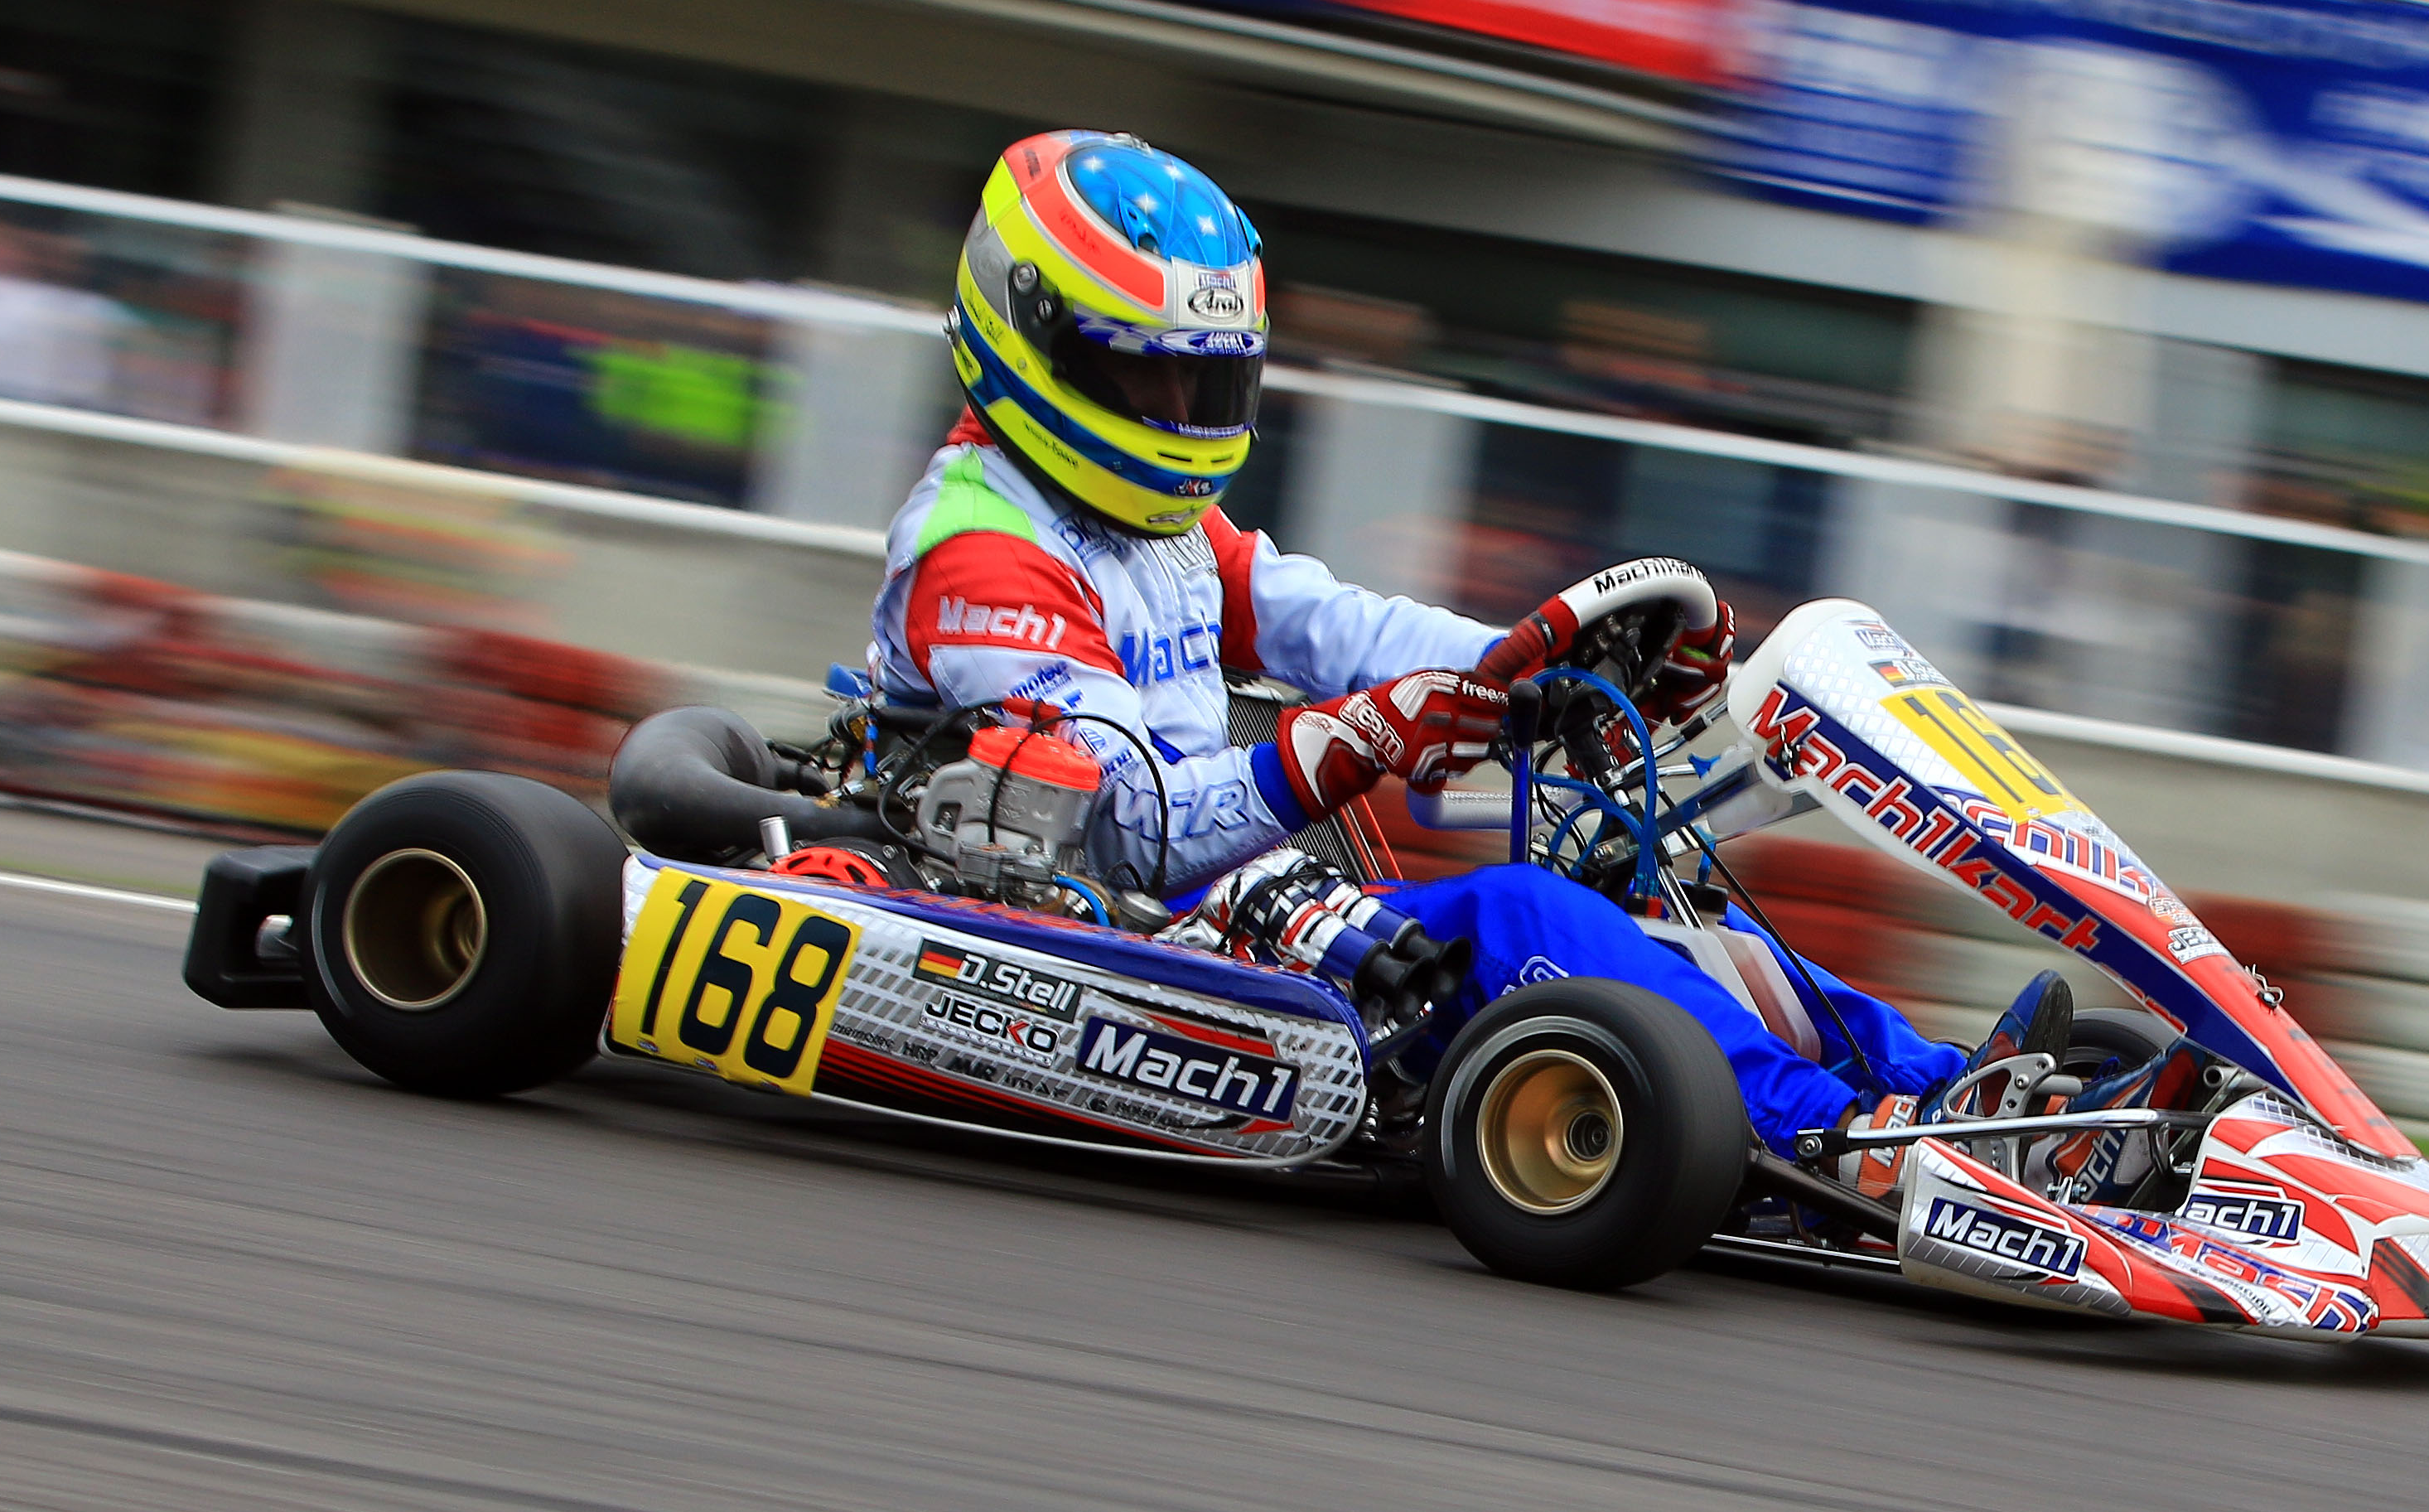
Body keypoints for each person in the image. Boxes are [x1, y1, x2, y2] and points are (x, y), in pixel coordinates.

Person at [862, 129, 2053, 1160]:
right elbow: (1131, 828)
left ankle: (1950, 1095)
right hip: (1115, 925)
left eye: (1204, 388)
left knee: (1675, 919)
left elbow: (1329, 623)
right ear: (1033, 337)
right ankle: (1832, 1139)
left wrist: (1533, 662)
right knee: (1528, 922)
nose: (1182, 422)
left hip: (1240, 905)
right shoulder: (984, 550)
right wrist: (1353, 739)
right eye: (1146, 379)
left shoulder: (1151, 525)